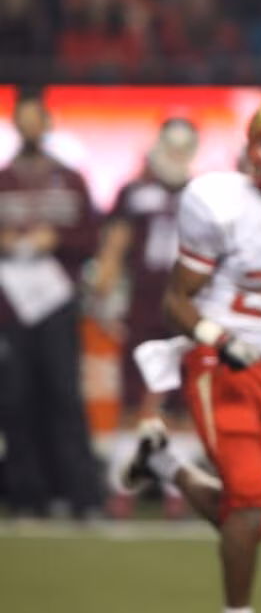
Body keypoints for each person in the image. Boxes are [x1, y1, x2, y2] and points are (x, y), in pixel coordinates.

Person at [119, 93, 261, 613]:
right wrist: (219, 339)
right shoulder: (218, 202)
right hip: (218, 362)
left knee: (253, 509)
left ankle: (164, 464)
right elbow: (176, 302)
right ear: (255, 149)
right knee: (245, 505)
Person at [0, 91, 102, 520]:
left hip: (57, 303)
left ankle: (81, 495)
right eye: (21, 120)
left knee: (64, 396)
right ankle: (27, 495)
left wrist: (57, 239)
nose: (28, 128)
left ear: (46, 124)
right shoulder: (4, 179)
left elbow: (92, 236)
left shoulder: (71, 179)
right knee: (16, 399)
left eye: (34, 120)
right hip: (11, 306)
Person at [91, 117, 199, 519]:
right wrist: (103, 297)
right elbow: (114, 248)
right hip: (143, 305)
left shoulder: (202, 193)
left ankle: (176, 488)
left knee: (180, 404)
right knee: (136, 401)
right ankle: (125, 485)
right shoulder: (135, 192)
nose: (176, 155)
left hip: (186, 306)